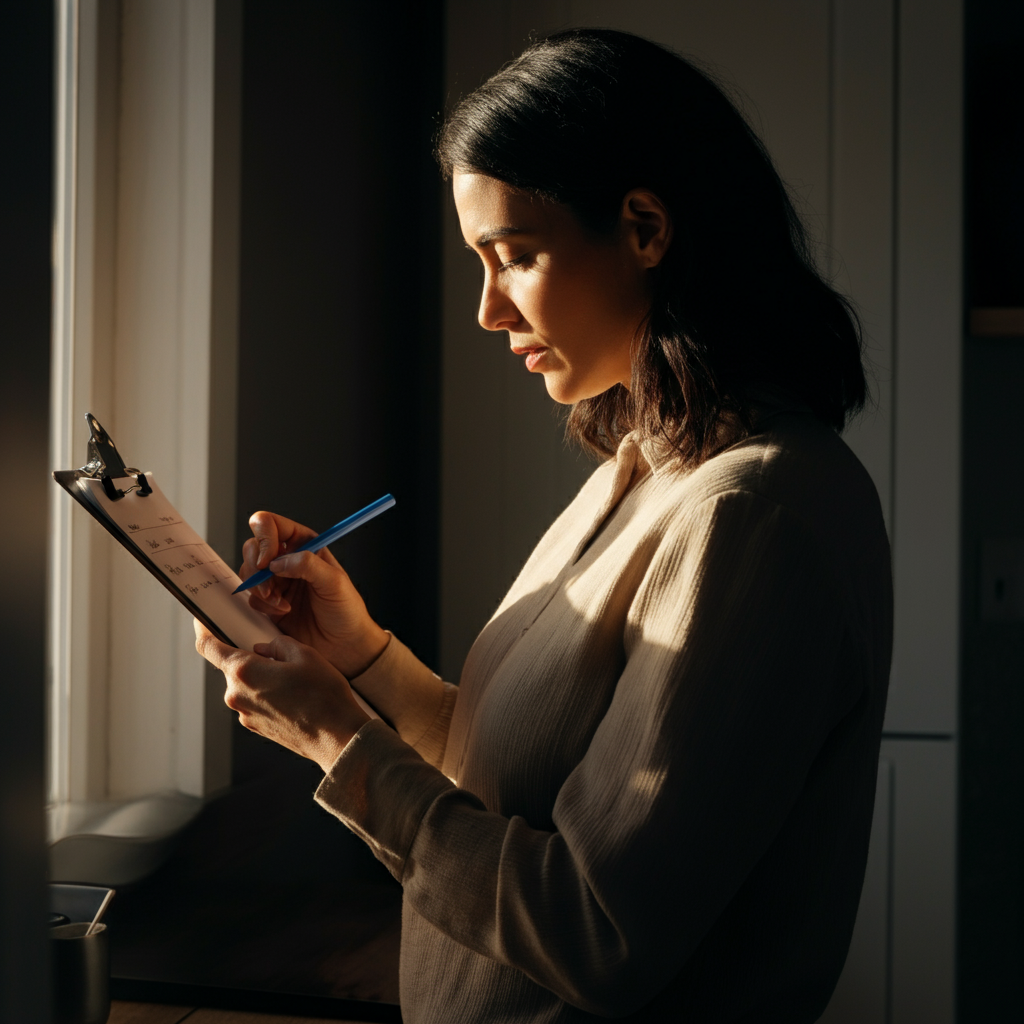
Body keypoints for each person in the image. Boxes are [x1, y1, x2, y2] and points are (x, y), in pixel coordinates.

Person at [196, 28, 893, 1023]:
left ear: (644, 227)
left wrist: (336, 738)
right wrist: (362, 659)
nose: (486, 309)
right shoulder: (643, 467)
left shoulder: (752, 517)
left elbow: (597, 929)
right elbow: (521, 778)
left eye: (514, 256)